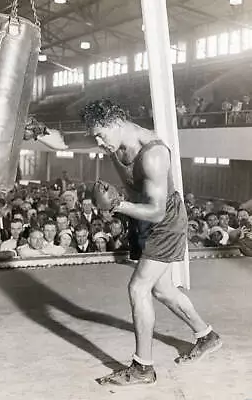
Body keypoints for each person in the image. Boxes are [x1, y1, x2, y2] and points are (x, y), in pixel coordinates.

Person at [81, 99, 222, 386]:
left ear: (116, 123)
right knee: (165, 290)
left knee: (138, 287)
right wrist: (37, 132)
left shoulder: (153, 153)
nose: (97, 141)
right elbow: (62, 140)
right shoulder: (114, 141)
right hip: (142, 218)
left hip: (164, 221)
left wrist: (117, 204)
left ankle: (142, 368)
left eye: (100, 134)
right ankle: (206, 336)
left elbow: (157, 211)